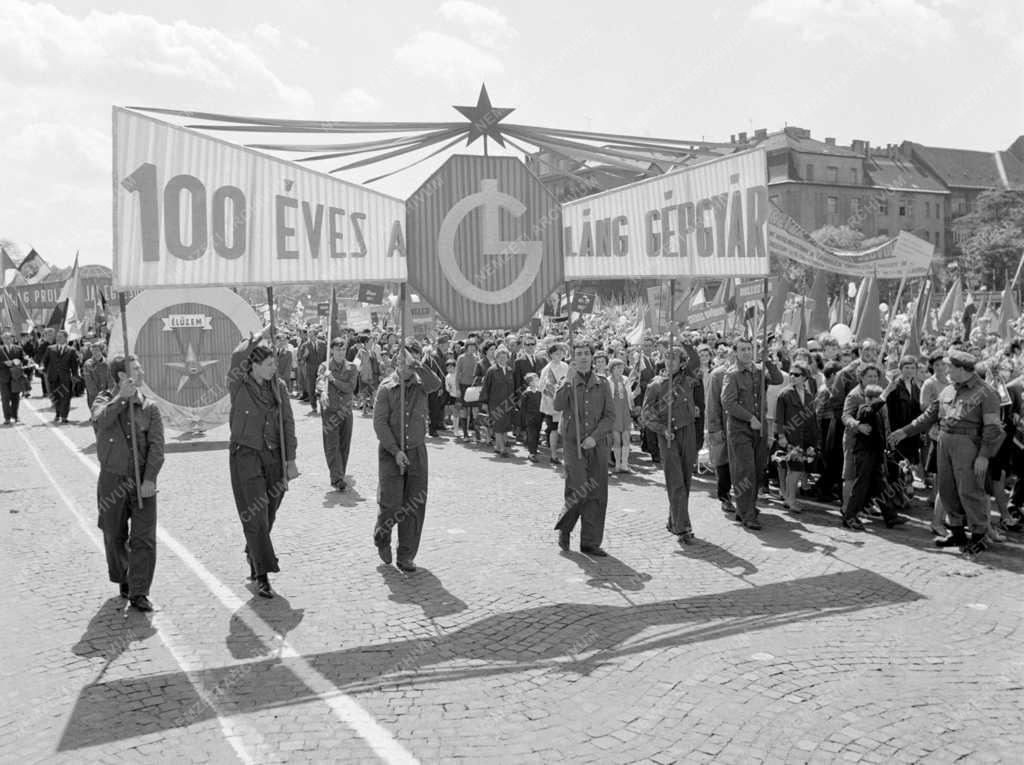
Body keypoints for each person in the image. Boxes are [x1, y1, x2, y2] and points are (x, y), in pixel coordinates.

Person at [890, 350, 1004, 556]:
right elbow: (929, 415)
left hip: (968, 445)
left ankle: (979, 536)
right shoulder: (949, 390)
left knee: (970, 490)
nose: (945, 370)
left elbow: (993, 429)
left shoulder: (986, 393)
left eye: (950, 367)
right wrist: (905, 431)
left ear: (962, 369)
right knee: (947, 489)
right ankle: (957, 533)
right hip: (944, 440)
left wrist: (984, 456)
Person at [228, 332, 299, 598]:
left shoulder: (278, 387)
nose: (274, 368)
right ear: (254, 365)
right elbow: (237, 358)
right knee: (256, 515)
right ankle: (262, 573)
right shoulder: (238, 384)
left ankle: (253, 550)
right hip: (246, 456)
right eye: (268, 364)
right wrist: (256, 339)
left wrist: (291, 460)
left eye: (274, 363)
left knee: (269, 512)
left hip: (274, 456)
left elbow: (288, 424)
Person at [91, 354, 165, 612]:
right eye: (136, 368)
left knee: (144, 538)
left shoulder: (149, 407)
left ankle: (139, 591)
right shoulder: (103, 400)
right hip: (113, 480)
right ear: (122, 376)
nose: (142, 371)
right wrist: (121, 397)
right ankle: (123, 576)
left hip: (141, 482)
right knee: (114, 534)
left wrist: (149, 479)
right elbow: (100, 422)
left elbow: (157, 447)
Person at [373, 339, 442, 573]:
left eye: (412, 360)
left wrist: (419, 365)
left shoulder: (421, 384)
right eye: (405, 360)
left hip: (416, 451)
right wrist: (395, 450)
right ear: (395, 363)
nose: (409, 365)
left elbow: (436, 383)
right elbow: (380, 423)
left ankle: (406, 555)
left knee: (414, 505)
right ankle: (382, 536)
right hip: (391, 452)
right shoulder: (386, 388)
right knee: (391, 504)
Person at [553, 342, 615, 555]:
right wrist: (568, 380)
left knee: (597, 494)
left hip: (596, 446)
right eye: (578, 354)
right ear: (573, 358)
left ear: (592, 357)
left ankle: (590, 542)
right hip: (573, 445)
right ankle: (565, 528)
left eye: (586, 354)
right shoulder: (567, 381)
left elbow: (610, 417)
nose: (583, 358)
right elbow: (558, 405)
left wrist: (595, 437)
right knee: (578, 489)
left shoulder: (603, 383)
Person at [641, 343, 701, 543]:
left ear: (682, 362)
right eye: (666, 357)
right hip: (668, 436)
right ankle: (683, 527)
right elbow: (646, 415)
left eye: (674, 357)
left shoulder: (688, 379)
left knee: (685, 480)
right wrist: (662, 429)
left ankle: (673, 519)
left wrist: (681, 336)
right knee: (675, 481)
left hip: (688, 431)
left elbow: (697, 360)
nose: (669, 361)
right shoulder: (656, 384)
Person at [722, 337, 783, 531]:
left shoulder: (759, 371)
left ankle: (745, 508)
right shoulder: (732, 375)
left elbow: (779, 379)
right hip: (741, 429)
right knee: (745, 470)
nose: (747, 353)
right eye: (742, 349)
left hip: (760, 429)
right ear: (736, 352)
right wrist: (749, 418)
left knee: (757, 469)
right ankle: (748, 514)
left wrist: (768, 360)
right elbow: (728, 403)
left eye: (749, 349)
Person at [775, 362, 820, 512]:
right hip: (790, 438)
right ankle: (791, 500)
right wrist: (781, 436)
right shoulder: (785, 394)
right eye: (791, 374)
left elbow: (812, 421)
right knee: (794, 470)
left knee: (796, 470)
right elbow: (779, 418)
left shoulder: (809, 396)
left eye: (797, 374)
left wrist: (814, 442)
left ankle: (789, 498)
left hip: (804, 440)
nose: (792, 377)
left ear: (805, 378)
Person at [317, 337, 358, 492]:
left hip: (345, 411)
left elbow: (349, 387)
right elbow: (320, 381)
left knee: (344, 444)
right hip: (330, 410)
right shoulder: (324, 366)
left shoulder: (352, 367)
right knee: (331, 444)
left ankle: (340, 472)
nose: (341, 352)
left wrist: (333, 380)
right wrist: (322, 392)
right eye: (338, 349)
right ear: (332, 350)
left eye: (343, 349)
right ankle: (337, 477)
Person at [705, 347, 734, 512]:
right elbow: (712, 404)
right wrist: (714, 429)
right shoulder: (718, 374)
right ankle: (725, 497)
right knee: (723, 464)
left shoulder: (749, 371)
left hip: (740, 429)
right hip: (722, 427)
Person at [481, 345, 515, 456]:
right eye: (500, 357)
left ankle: (497, 446)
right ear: (496, 358)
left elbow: (512, 387)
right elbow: (485, 387)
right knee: (498, 426)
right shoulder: (491, 371)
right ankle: (502, 449)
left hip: (508, 402)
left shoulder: (510, 370)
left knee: (504, 426)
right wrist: (484, 403)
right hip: (495, 403)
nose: (502, 359)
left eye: (505, 357)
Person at [540, 343, 568, 464]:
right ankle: (553, 454)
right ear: (551, 355)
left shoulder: (565, 366)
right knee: (554, 428)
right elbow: (543, 387)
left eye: (561, 353)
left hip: (566, 401)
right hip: (552, 403)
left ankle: (566, 454)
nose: (560, 355)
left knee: (566, 428)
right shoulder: (547, 369)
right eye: (557, 353)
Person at [45, 329, 79, 424]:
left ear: (66, 338)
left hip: (65, 377)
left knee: (65, 397)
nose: (58, 338)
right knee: (55, 396)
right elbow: (45, 361)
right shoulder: (50, 349)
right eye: (57, 336)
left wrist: (75, 376)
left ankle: (64, 416)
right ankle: (57, 413)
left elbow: (74, 366)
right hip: (53, 377)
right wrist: (43, 369)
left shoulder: (71, 350)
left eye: (60, 336)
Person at [607, 358, 634, 473]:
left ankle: (624, 464)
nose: (621, 370)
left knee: (626, 438)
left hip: (625, 412)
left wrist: (635, 394)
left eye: (622, 368)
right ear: (612, 369)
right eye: (618, 368)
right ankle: (617, 464)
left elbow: (629, 397)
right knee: (617, 440)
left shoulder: (626, 380)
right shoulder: (608, 381)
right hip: (614, 413)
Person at [425, 334, 451, 436]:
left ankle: (439, 423)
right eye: (446, 343)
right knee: (434, 407)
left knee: (441, 405)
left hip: (442, 384)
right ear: (440, 345)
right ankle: (432, 428)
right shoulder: (435, 356)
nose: (448, 345)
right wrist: (439, 387)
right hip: (436, 385)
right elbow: (435, 373)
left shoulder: (443, 355)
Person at [0, 331, 27, 424]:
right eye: (4, 338)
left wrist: (19, 362)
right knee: (5, 398)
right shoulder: (0, 349)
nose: (7, 340)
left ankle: (15, 416)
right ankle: (7, 418)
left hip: (16, 377)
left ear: (12, 339)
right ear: (2, 339)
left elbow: (24, 360)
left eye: (8, 338)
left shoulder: (18, 348)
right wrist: (4, 363)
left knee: (15, 398)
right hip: (4, 377)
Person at [298, 328, 327, 413]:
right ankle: (313, 406)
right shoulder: (305, 345)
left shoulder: (323, 344)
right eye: (309, 336)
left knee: (322, 388)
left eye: (312, 335)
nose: (310, 337)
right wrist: (305, 355)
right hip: (310, 369)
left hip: (321, 369)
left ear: (316, 335)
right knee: (311, 389)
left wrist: (326, 367)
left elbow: (326, 357)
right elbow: (301, 360)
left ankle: (323, 405)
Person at [521, 372, 545, 463]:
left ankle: (534, 449)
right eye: (536, 380)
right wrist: (524, 419)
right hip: (530, 417)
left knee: (537, 433)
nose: (538, 381)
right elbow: (523, 408)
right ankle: (531, 453)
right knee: (532, 434)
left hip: (538, 417)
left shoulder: (539, 392)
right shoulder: (526, 394)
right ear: (530, 382)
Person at [82, 341, 110, 412]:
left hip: (106, 392)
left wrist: (109, 390)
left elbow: (111, 379)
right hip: (94, 394)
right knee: (95, 409)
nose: (95, 352)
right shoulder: (88, 364)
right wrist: (96, 394)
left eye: (97, 350)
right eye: (93, 350)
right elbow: (89, 381)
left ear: (102, 350)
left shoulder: (107, 363)